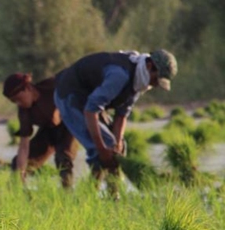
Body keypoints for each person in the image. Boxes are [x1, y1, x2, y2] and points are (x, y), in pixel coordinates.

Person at [53, 49, 177, 189]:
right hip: (69, 95)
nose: (154, 85)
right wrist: (102, 148)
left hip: (89, 99)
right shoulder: (119, 75)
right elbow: (90, 111)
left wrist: (117, 144)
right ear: (149, 66)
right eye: (156, 79)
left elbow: (121, 115)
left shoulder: (139, 82)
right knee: (103, 145)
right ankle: (94, 193)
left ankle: (112, 192)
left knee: (117, 147)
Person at [2, 73, 79, 188]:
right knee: (18, 163)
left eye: (18, 99)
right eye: (14, 102)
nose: (18, 104)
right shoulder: (24, 112)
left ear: (28, 88)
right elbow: (24, 146)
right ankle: (20, 195)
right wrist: (21, 173)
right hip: (48, 131)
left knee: (63, 159)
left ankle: (67, 195)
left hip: (69, 125)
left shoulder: (51, 86)